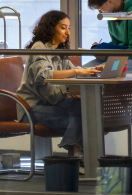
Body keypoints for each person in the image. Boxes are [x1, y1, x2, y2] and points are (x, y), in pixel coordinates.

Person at [16, 11, 102, 159]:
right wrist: (76, 71)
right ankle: (77, 156)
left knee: (82, 107)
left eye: (68, 28)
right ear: (51, 27)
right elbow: (44, 75)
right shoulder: (39, 47)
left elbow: (73, 71)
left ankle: (77, 156)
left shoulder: (58, 52)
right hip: (31, 108)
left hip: (50, 105)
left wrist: (92, 70)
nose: (68, 32)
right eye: (64, 27)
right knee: (82, 118)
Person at [87, 0, 132, 72]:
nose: (100, 12)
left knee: (100, 71)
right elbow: (116, 43)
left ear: (110, 1)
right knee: (86, 69)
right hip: (119, 57)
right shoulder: (111, 14)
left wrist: (106, 56)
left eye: (100, 9)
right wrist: (100, 49)